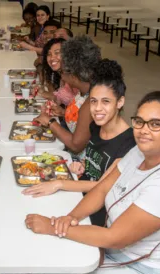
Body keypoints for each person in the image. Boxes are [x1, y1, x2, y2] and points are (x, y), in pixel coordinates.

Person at [26, 91, 160, 274]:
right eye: (140, 122)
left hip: (146, 272)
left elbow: (115, 238)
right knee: (44, 266)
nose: (143, 131)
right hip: (115, 252)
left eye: (156, 124)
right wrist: (70, 218)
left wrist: (52, 226)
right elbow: (102, 189)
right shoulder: (139, 151)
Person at [24, 60, 137, 227]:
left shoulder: (129, 144)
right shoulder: (97, 127)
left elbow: (102, 186)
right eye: (93, 101)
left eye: (105, 101)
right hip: (78, 193)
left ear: (120, 102)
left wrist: (59, 183)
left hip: (98, 215)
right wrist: (83, 165)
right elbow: (95, 162)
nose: (97, 109)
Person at [33, 36, 101, 161]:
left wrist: (50, 122)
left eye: (63, 72)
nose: (61, 76)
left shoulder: (91, 101)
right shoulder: (83, 91)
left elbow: (76, 146)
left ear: (74, 76)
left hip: (79, 163)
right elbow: (83, 124)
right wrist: (63, 112)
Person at [38, 38, 77, 106]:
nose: (52, 58)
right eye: (49, 54)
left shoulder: (76, 77)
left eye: (57, 53)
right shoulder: (62, 74)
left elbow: (77, 106)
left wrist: (50, 95)